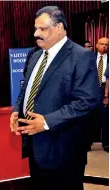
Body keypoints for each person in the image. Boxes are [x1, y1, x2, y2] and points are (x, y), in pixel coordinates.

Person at [10, 6, 99, 190]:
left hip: (64, 149)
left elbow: (87, 101)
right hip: (35, 145)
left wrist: (47, 122)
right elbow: (25, 89)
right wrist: (16, 111)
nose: (36, 33)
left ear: (59, 28)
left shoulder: (81, 56)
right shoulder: (34, 56)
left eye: (42, 29)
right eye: (35, 28)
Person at [93, 37, 109, 152]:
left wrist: (106, 95)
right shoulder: (89, 57)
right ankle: (87, 143)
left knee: (106, 118)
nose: (104, 46)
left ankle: (106, 144)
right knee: (88, 118)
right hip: (91, 89)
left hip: (105, 88)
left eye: (107, 45)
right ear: (97, 45)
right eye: (102, 44)